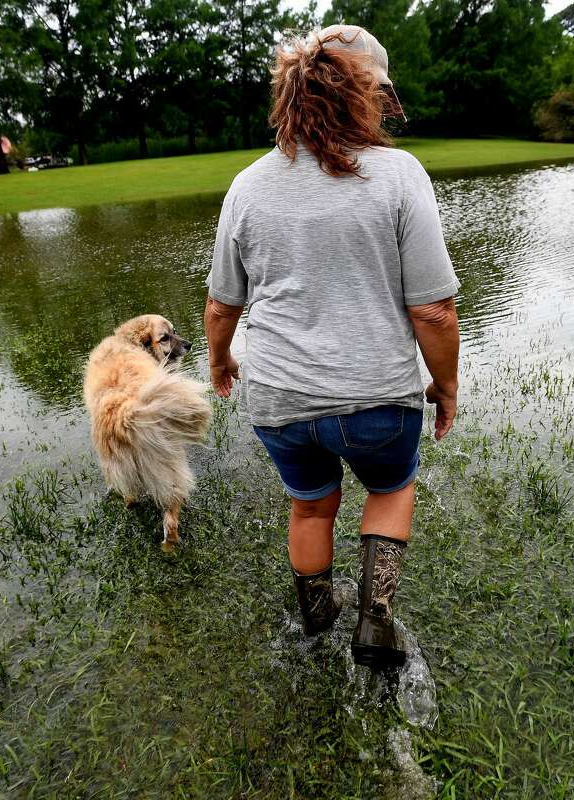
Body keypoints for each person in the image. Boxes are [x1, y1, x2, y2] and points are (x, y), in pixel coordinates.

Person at [203, 24, 460, 669]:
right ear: (365, 95)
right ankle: (375, 620)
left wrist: (220, 358)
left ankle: (316, 616)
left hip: (278, 399)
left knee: (311, 506)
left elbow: (220, 302)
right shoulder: (400, 174)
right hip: (377, 397)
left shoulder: (248, 184)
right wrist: (446, 383)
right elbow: (432, 307)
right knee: (391, 489)